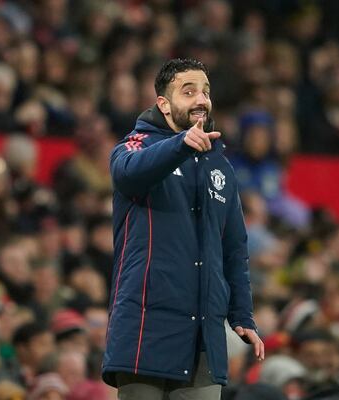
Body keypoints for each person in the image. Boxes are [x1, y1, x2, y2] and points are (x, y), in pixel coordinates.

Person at [102, 58, 264, 400]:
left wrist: (242, 314)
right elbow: (127, 173)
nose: (201, 99)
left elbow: (234, 248)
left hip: (203, 337)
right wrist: (181, 145)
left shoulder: (221, 167)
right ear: (163, 104)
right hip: (144, 331)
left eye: (205, 91)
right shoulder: (136, 145)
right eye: (188, 91)